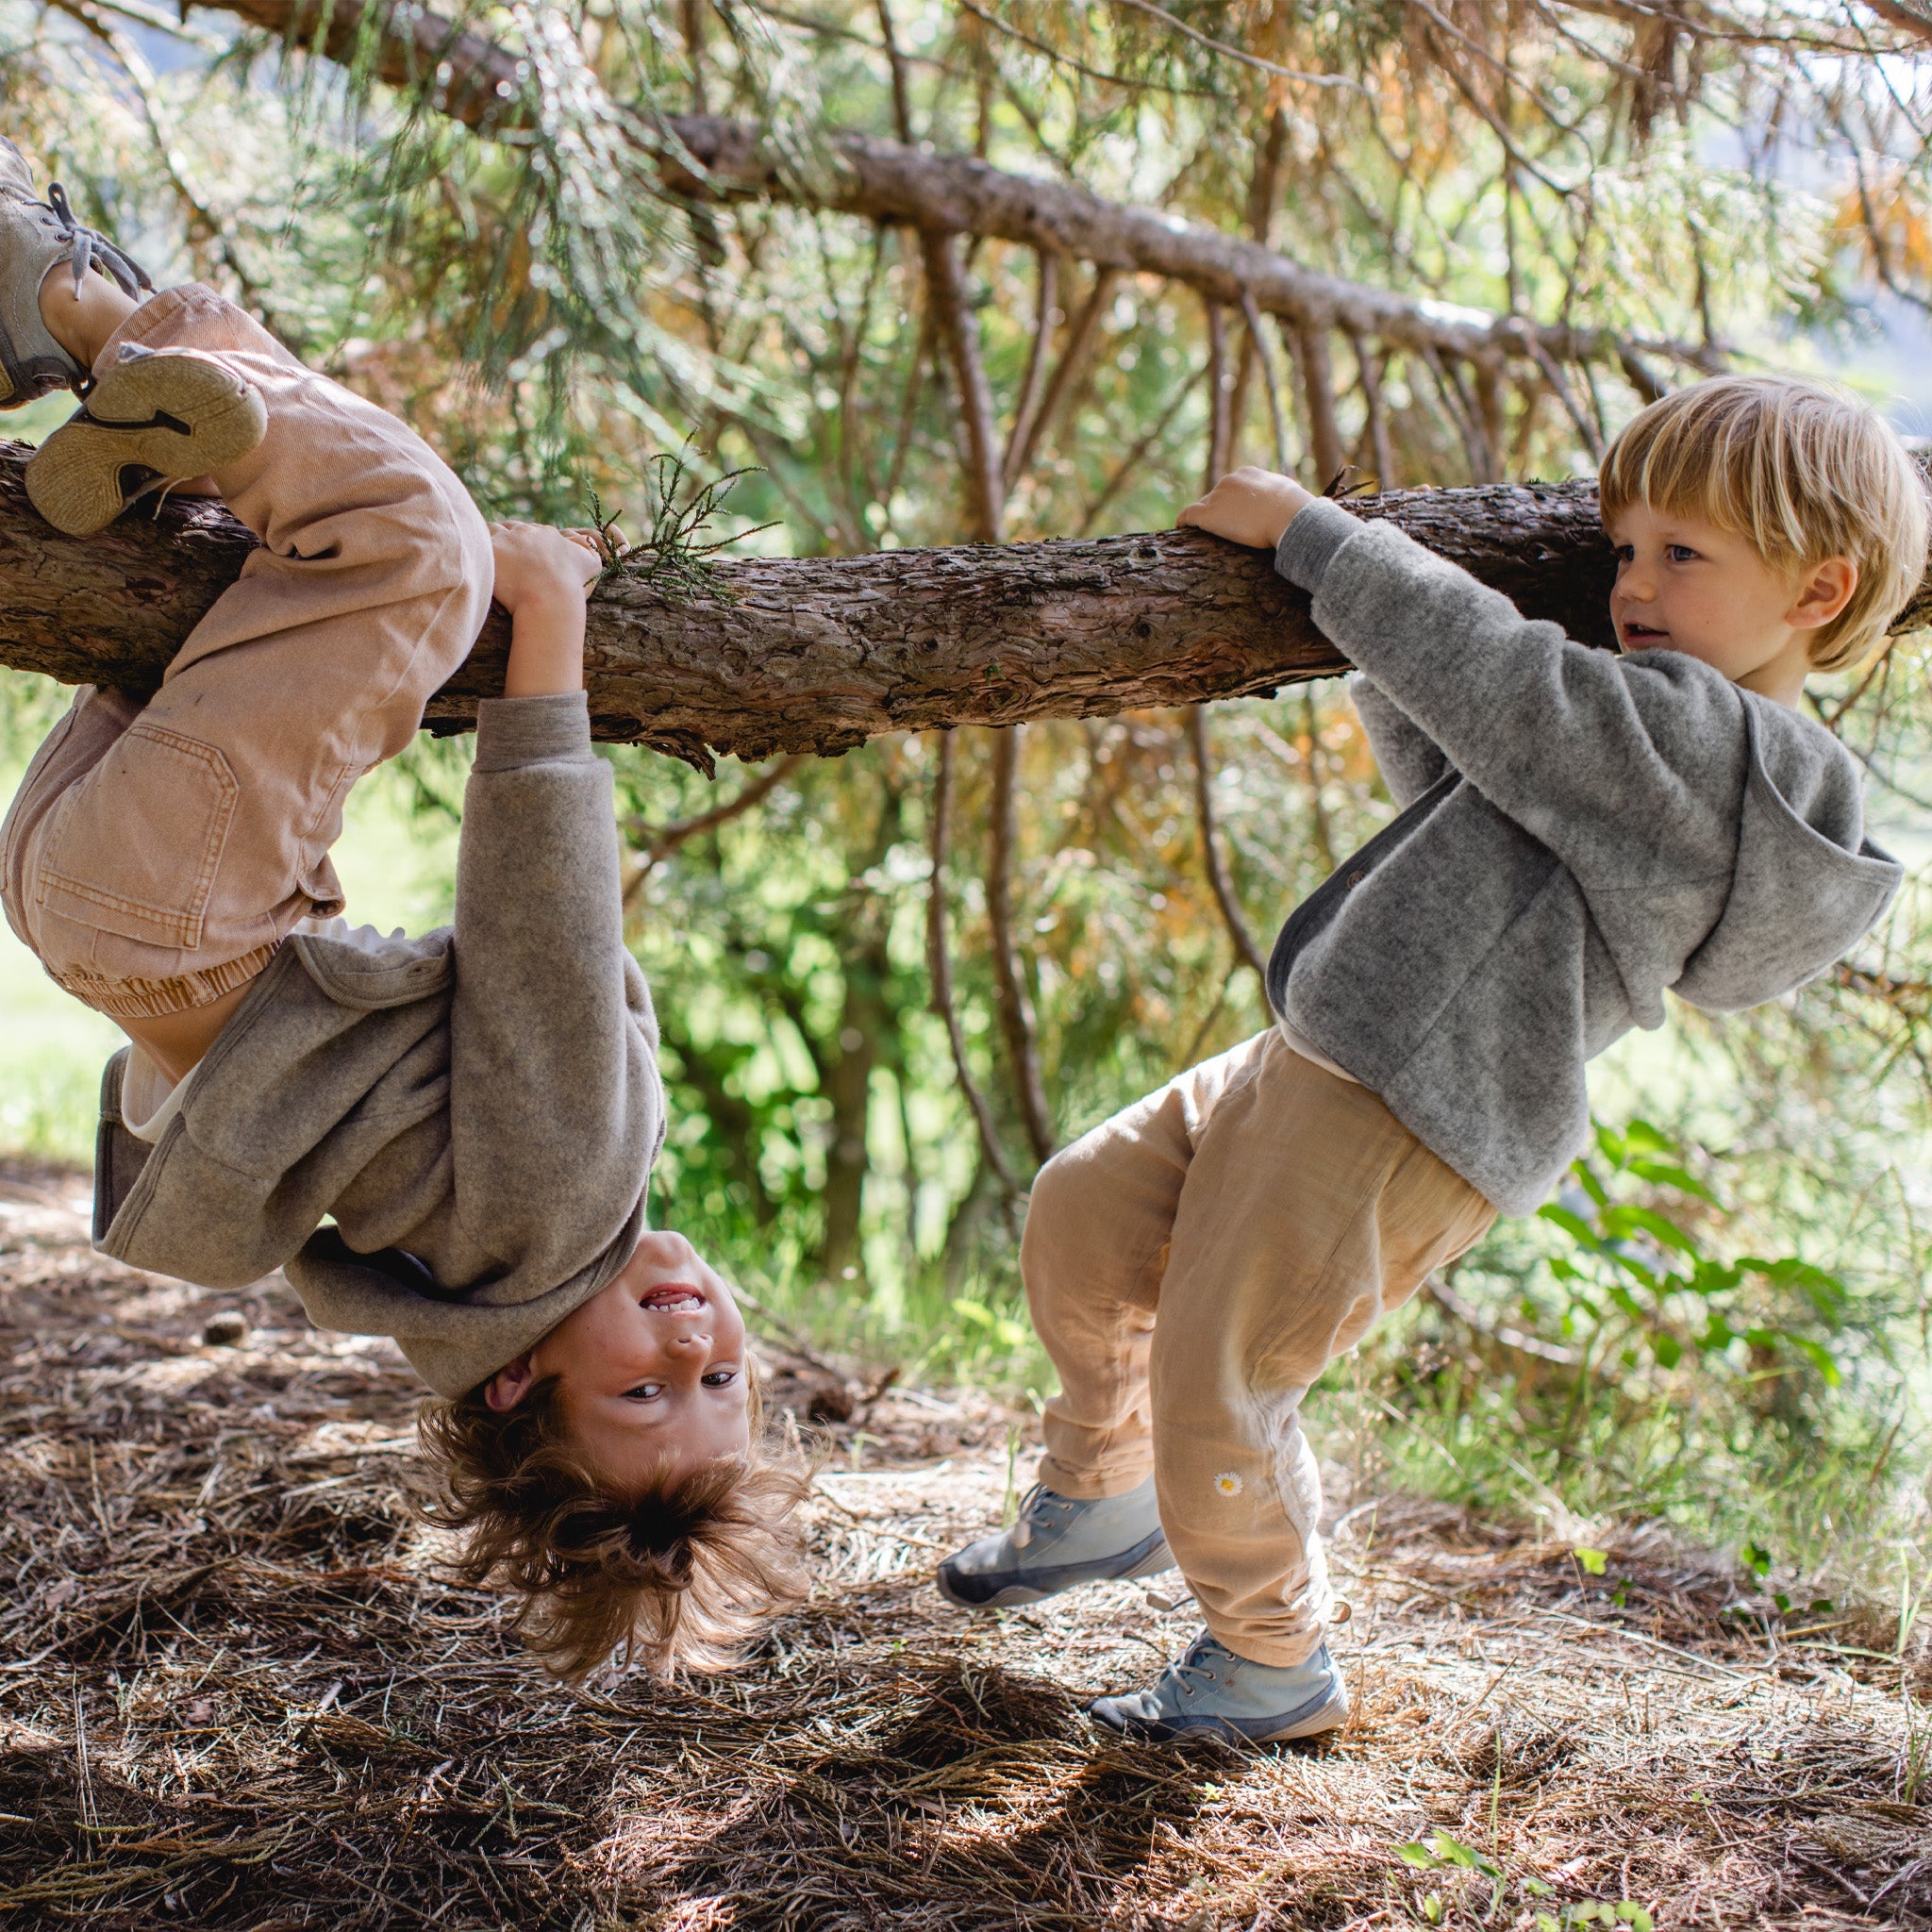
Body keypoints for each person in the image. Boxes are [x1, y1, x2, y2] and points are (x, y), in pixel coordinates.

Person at [938, 374, 1927, 1743]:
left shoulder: (1718, 751)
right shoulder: (1636, 722)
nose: (1630, 583)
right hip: (1339, 1050)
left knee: (1223, 1385)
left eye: (1681, 555)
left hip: (1408, 1111)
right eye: (1627, 547)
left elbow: (1510, 694)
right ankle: (1101, 1493)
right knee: (1086, 1211)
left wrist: (1320, 539)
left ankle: (1270, 1661)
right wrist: (1376, 634)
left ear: (1819, 592)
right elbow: (1474, 761)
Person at [0, 138, 807, 1681]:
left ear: (518, 1392)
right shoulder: (430, 1287)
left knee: (423, 548)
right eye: (729, 1390)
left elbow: (544, 932)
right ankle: (113, 340)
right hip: (89, 903)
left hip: (188, 899)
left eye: (647, 1393)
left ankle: (61, 298)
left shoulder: (567, 1202)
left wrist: (549, 620)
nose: (701, 1345)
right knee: (260, 465)